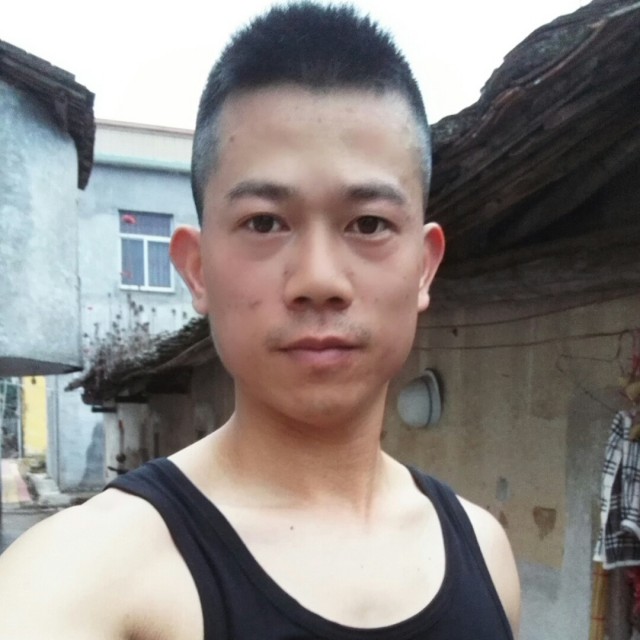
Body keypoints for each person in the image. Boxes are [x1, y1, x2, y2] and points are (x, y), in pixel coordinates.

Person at [0, 3, 520, 639]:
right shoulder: (90, 576)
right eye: (264, 223)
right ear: (197, 269)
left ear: (423, 267)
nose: (319, 280)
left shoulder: (487, 556)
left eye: (369, 224)